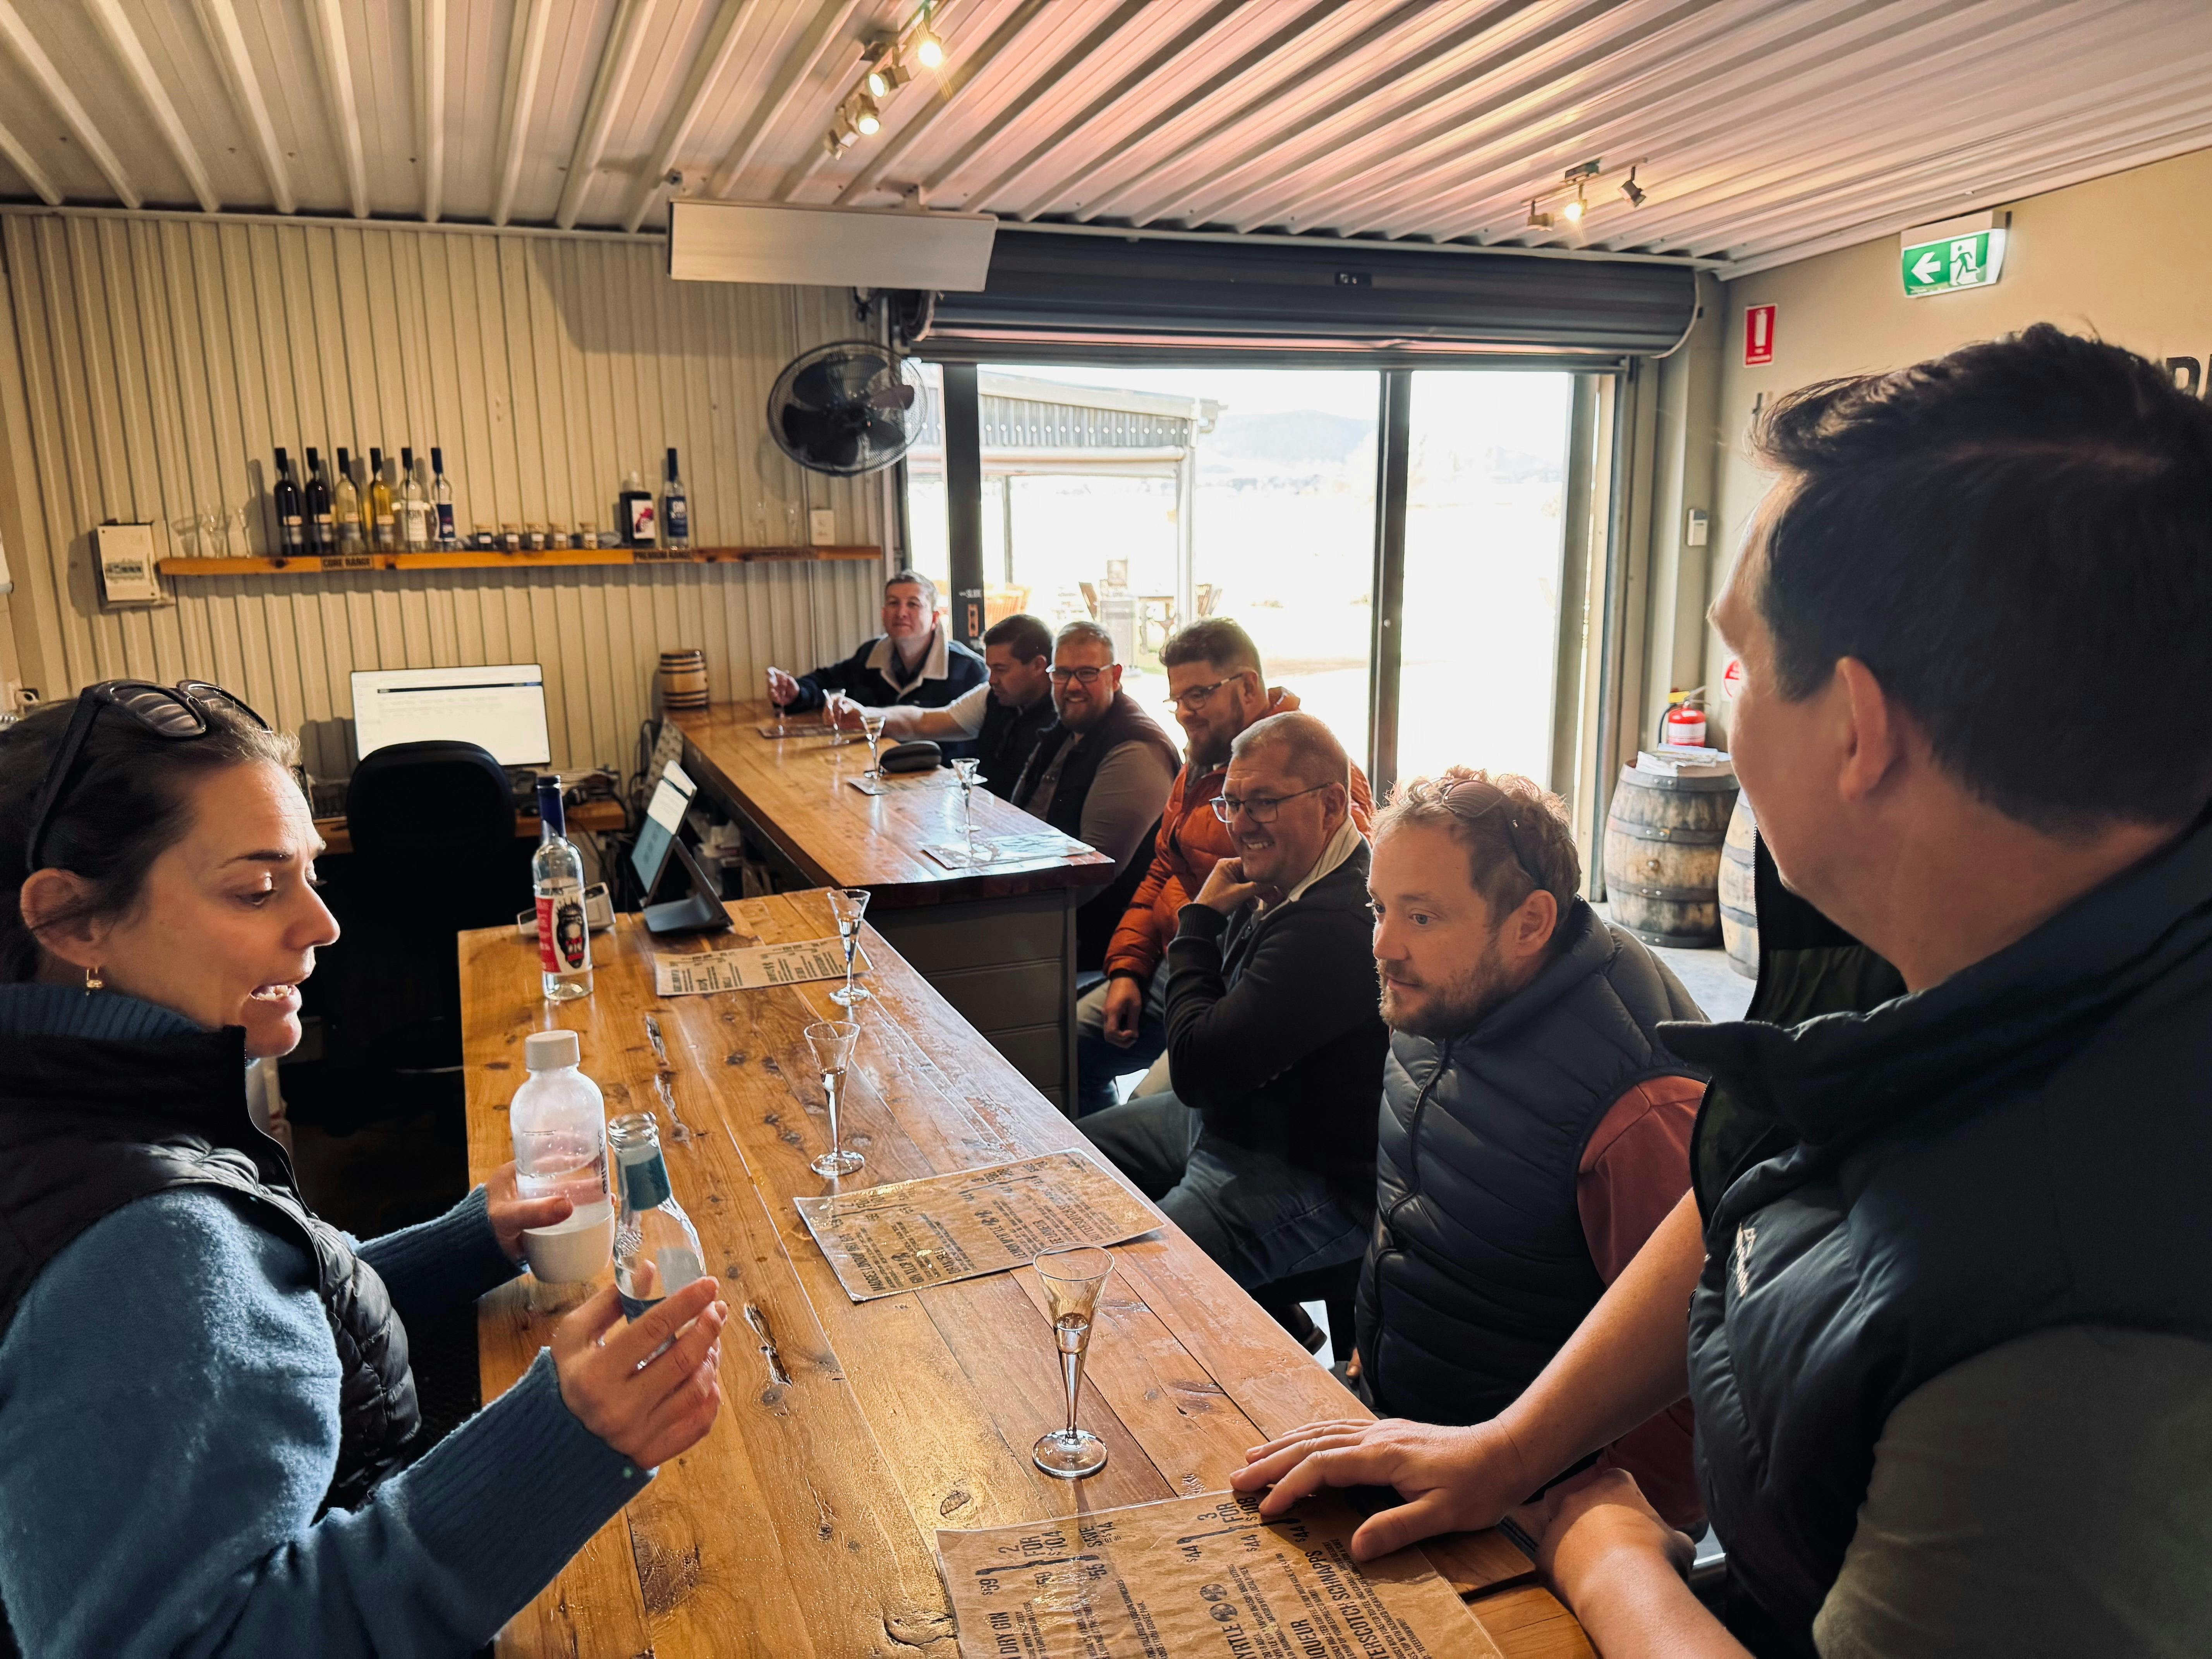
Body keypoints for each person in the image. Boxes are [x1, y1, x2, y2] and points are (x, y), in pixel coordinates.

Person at [1231, 326, 2212, 1658]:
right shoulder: (1989, 936)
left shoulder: (2080, 1330)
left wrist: (1610, 1552)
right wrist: (1507, 1448)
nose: (1719, 711)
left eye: (1741, 667)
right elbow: (1765, 1173)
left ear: (1859, 731)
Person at [0, 681, 727, 1656]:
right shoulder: (146, 1249)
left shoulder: (71, 1114)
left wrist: (467, 1240)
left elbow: (246, 1326)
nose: (321, 926)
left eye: (309, 875)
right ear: (72, 919)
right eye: (258, 890)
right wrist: (569, 1439)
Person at [1359, 767, 1707, 1530]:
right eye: (1379, 908)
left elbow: (1689, 1396)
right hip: (1398, 1427)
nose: (1384, 945)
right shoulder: (1441, 995)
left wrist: (1570, 1544)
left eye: (1420, 917)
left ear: (1529, 923)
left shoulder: (1639, 1104)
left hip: (1528, 1511)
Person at [1083, 712, 1385, 1292]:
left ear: (1331, 805)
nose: (1241, 826)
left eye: (1264, 803)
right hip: (1233, 1123)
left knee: (1139, 1286)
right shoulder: (1285, 874)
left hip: (1308, 1171)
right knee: (1064, 1167)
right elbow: (1216, 1031)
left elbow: (1197, 1072)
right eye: (1233, 804)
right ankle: (1274, 1314)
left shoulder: (1335, 922)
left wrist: (1199, 920)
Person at [1078, 618, 1374, 1114]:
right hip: (1179, 961)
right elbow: (1161, 870)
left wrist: (1197, 924)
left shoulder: (1315, 768)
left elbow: (1332, 891)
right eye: (1176, 700)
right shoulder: (1198, 765)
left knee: (1163, 1102)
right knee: (1068, 1039)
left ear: (1250, 687)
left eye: (1199, 696)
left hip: (1235, 982)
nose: (1184, 715)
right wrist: (1128, 966)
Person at [1010, 620, 1180, 970]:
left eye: (1087, 673)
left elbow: (1092, 876)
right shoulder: (1068, 728)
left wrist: (1005, 918)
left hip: (1101, 949)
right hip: (1045, 917)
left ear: (1115, 676)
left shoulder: (1136, 747)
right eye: (1063, 673)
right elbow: (1018, 817)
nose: (1073, 686)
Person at [839, 611, 1058, 796]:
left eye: (1001, 670)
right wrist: (866, 715)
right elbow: (924, 723)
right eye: (990, 669)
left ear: (1039, 666)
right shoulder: (991, 695)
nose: (992, 680)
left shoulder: (1065, 715)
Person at [765, 569, 984, 721]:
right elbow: (826, 681)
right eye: (893, 603)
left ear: (935, 618)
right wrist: (796, 693)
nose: (901, 613)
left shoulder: (969, 670)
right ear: (883, 614)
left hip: (940, 781)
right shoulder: (871, 655)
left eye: (913, 604)